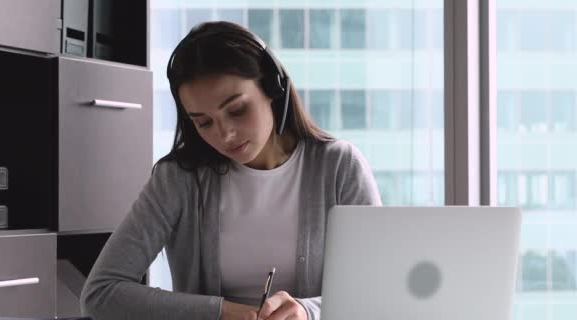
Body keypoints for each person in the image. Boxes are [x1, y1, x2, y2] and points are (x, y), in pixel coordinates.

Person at [80, 21, 381, 320]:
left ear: (273, 89)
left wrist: (307, 312)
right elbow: (101, 293)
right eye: (204, 122)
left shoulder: (340, 167)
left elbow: (376, 293)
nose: (226, 135)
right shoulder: (179, 179)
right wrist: (220, 312)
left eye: (237, 110)